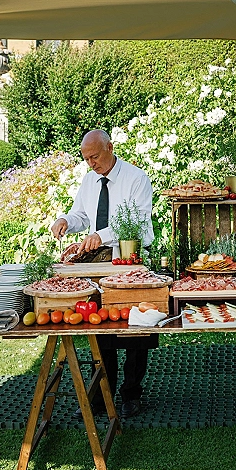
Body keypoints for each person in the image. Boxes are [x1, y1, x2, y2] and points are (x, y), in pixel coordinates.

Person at [51, 129, 157, 419]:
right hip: (99, 260)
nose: (91, 164)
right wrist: (64, 221)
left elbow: (137, 221)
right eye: (86, 159)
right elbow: (81, 216)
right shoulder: (89, 180)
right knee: (102, 324)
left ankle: (131, 393)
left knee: (135, 325)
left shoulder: (137, 178)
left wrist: (102, 234)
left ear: (110, 148)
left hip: (131, 256)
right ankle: (102, 394)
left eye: (94, 157)